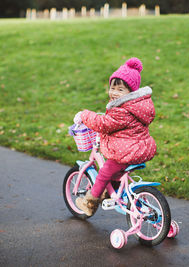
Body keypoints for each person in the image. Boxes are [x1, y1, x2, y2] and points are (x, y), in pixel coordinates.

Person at [73, 57, 157, 216]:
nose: (114, 92)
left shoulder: (122, 111)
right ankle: (109, 190)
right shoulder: (136, 106)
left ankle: (89, 202)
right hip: (140, 147)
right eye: (112, 87)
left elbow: (104, 124)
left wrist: (84, 115)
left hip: (128, 151)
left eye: (120, 90)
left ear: (130, 92)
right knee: (115, 171)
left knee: (105, 171)